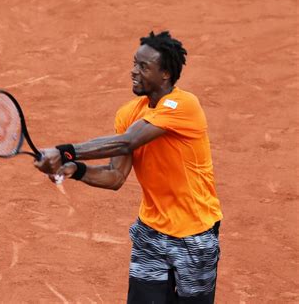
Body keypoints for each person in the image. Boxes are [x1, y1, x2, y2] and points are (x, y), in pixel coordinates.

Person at [34, 31, 223, 303]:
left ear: (166, 74)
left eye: (144, 67)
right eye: (135, 63)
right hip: (151, 233)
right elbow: (115, 176)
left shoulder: (184, 105)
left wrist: (64, 152)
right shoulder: (128, 114)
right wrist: (76, 169)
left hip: (194, 235)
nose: (134, 71)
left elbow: (127, 143)